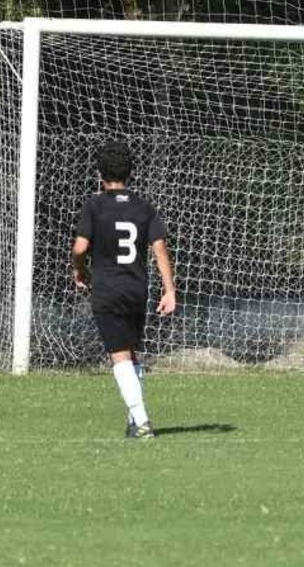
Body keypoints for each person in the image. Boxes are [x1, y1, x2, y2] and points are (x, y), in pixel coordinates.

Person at [72, 142, 177, 440]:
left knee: (119, 357)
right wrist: (169, 290)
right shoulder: (144, 207)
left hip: (107, 289)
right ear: (130, 172)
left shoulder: (94, 205)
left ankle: (142, 422)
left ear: (99, 174)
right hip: (136, 289)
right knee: (131, 355)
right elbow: (159, 250)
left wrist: (79, 269)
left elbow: (80, 247)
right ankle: (134, 421)